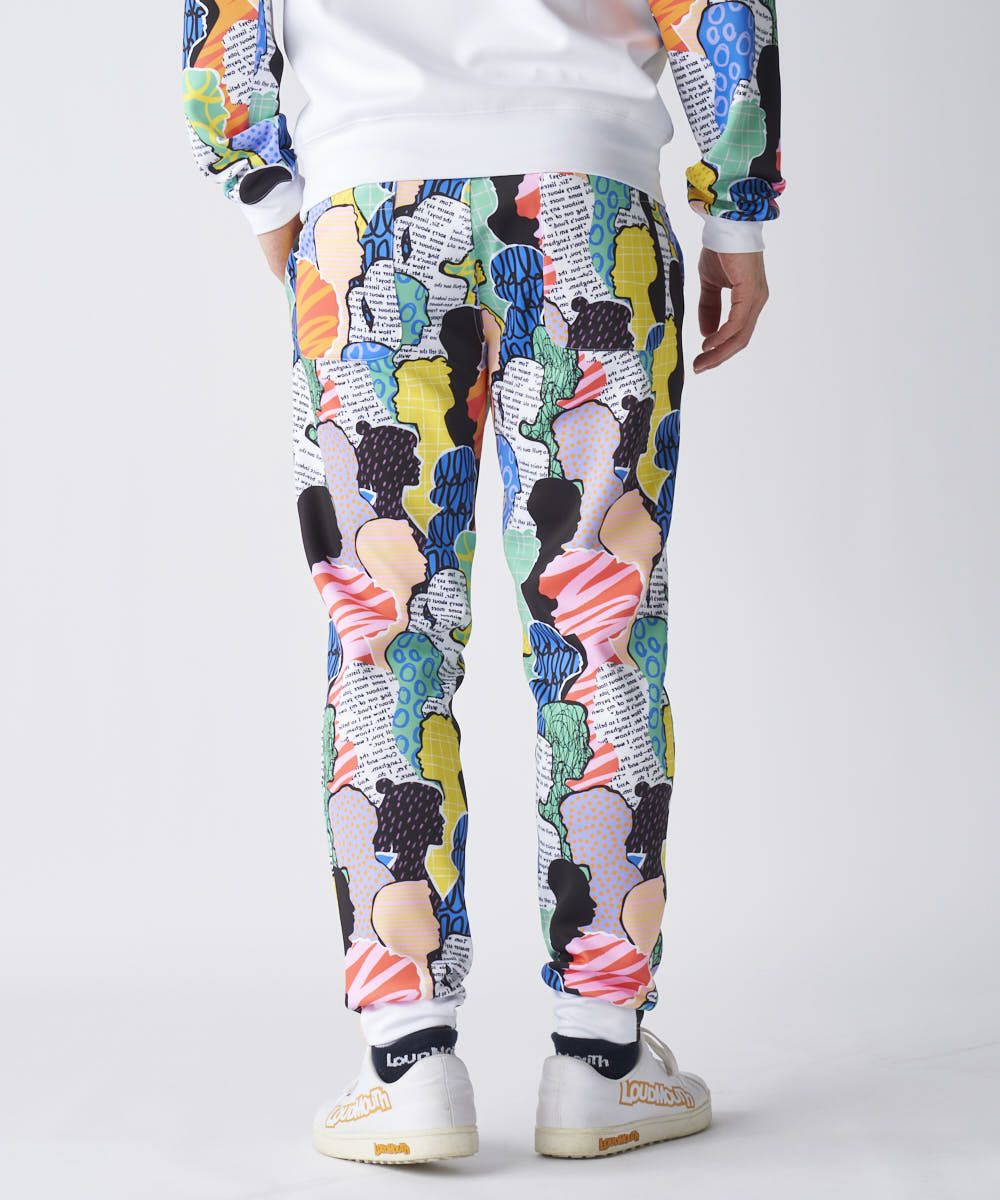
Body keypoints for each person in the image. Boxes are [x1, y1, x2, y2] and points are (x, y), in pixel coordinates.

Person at [182, 0, 783, 1164]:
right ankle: (600, 1064)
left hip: (367, 209)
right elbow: (717, 12)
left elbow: (225, 18)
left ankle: (407, 1064)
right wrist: (737, 213)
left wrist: (266, 192)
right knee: (600, 637)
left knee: (382, 637)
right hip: (588, 203)